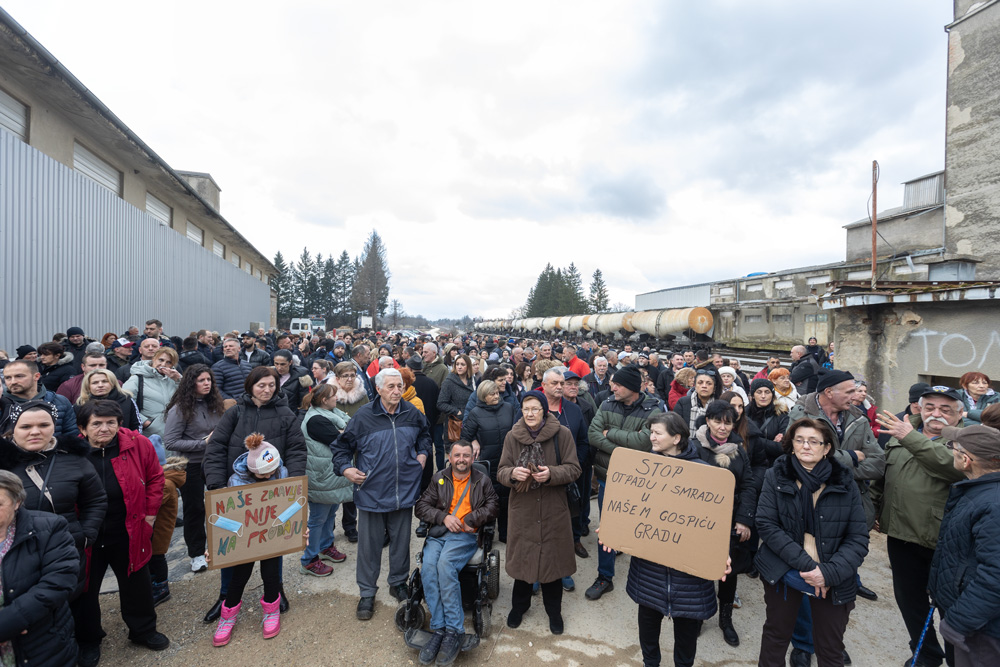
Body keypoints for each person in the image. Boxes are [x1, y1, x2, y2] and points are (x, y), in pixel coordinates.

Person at [755, 418, 869, 667]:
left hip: (832, 573)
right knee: (776, 635)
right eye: (800, 440)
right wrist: (809, 567)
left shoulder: (844, 482)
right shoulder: (776, 475)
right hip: (784, 568)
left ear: (827, 448)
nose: (805, 446)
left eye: (813, 441)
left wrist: (828, 573)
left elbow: (858, 537)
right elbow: (767, 525)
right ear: (792, 444)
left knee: (830, 647)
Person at [0, 400, 108, 659]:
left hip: (68, 544)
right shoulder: (3, 464)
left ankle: (87, 642)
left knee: (77, 596)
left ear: (54, 427)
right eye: (26, 426)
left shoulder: (74, 459)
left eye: (43, 425)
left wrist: (86, 535)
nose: (35, 432)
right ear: (13, 429)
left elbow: (95, 500)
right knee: (32, 601)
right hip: (17, 548)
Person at [872, 386, 967, 667]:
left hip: (943, 538)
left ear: (960, 414)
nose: (936, 414)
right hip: (901, 533)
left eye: (946, 409)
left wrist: (909, 436)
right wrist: (875, 507)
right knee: (909, 600)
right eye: (930, 407)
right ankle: (926, 653)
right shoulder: (903, 431)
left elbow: (950, 467)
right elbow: (884, 473)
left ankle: (959, 659)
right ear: (919, 408)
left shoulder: (966, 440)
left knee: (949, 605)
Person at [202, 366, 307, 621]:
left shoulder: (286, 414)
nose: (267, 390)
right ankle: (226, 595)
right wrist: (216, 486)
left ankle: (275, 590)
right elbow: (216, 448)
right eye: (261, 385)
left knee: (272, 540)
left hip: (273, 490)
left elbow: (296, 450)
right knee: (232, 543)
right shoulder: (235, 413)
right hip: (237, 490)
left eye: (272, 385)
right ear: (250, 386)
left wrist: (291, 486)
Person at [332, 368, 431, 621]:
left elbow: (424, 435)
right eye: (391, 387)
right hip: (372, 492)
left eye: (399, 386)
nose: (397, 391)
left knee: (401, 542)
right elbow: (341, 448)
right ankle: (367, 592)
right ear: (378, 389)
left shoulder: (412, 413)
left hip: (403, 491)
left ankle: (398, 583)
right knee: (369, 546)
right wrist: (346, 469)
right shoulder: (364, 416)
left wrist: (422, 454)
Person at [75, 400, 170, 664]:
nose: (104, 428)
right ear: (83, 428)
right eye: (96, 424)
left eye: (111, 423)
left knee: (137, 582)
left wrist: (150, 514)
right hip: (87, 533)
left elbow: (155, 477)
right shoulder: (71, 452)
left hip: (129, 527)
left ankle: (143, 630)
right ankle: (88, 639)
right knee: (84, 589)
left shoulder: (138, 444)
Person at [625, 412, 718, 667]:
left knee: (687, 635)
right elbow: (630, 511)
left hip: (689, 577)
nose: (651, 437)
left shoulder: (705, 474)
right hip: (649, 571)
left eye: (657, 433)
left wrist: (721, 552)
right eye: (651, 432)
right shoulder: (641, 470)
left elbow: (714, 525)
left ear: (676, 438)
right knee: (648, 626)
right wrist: (616, 530)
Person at [499, 391, 580, 635]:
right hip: (523, 509)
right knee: (523, 562)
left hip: (553, 507)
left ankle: (554, 612)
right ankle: (519, 607)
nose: (530, 413)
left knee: (552, 565)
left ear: (544, 411)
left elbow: (574, 468)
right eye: (526, 409)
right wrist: (513, 473)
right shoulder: (512, 436)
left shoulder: (562, 434)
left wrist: (551, 474)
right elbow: (501, 471)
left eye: (535, 409)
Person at [413, 440, 499, 665]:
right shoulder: (439, 478)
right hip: (439, 533)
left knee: (445, 565)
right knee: (428, 567)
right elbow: (421, 506)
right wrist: (443, 517)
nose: (462, 460)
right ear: (450, 458)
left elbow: (493, 506)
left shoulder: (482, 480)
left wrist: (471, 519)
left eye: (466, 456)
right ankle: (439, 627)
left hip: (464, 536)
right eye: (457, 455)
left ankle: (454, 629)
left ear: (473, 458)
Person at [586, 365, 662, 601]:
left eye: (617, 385)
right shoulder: (607, 403)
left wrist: (610, 433)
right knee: (607, 528)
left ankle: (644, 577)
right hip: (608, 477)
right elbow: (593, 434)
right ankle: (604, 577)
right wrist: (624, 449)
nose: (613, 388)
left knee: (640, 528)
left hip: (638, 482)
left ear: (631, 387)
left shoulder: (654, 409)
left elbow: (644, 442)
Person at [928, 424, 1000, 666]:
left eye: (953, 447)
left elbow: (996, 576)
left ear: (966, 460)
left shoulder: (993, 504)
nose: (951, 451)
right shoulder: (980, 491)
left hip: (982, 630)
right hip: (972, 617)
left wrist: (959, 622)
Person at [209, 433, 290, 646]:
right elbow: (226, 514)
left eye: (272, 471)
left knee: (271, 573)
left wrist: (298, 530)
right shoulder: (236, 480)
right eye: (264, 474)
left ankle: (271, 611)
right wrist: (214, 544)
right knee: (239, 575)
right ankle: (228, 616)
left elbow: (288, 502)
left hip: (271, 534)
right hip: (245, 537)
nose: (269, 475)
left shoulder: (281, 471)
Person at [0, 469, 82, 665]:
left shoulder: (49, 528)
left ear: (17, 502)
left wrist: (8, 622)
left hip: (41, 643)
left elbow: (58, 581)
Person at [693, 399, 756, 647]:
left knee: (728, 573)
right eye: (717, 421)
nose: (722, 427)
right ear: (708, 421)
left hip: (730, 519)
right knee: (699, 570)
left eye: (728, 423)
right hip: (698, 521)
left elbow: (749, 485)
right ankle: (698, 615)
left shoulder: (739, 450)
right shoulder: (694, 447)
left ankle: (725, 619)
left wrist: (744, 520)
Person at [163, 364, 225, 573]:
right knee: (195, 509)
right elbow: (170, 442)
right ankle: (197, 554)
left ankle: (223, 546)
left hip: (215, 461)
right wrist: (202, 443)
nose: (206, 384)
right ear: (191, 383)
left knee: (221, 504)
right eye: (201, 380)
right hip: (190, 465)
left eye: (209, 380)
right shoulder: (180, 409)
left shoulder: (215, 403)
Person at [299, 385, 352, 577]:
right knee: (318, 518)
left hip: (330, 476)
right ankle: (309, 560)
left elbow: (346, 431)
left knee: (330, 513)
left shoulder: (330, 413)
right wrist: (342, 432)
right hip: (321, 477)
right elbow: (342, 440)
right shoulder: (316, 420)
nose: (337, 398)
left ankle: (325, 546)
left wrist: (342, 431)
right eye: (333, 395)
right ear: (324, 400)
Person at [462, 379, 518, 543]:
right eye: (492, 394)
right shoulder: (475, 413)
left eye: (497, 393)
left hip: (508, 460)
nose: (496, 396)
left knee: (507, 496)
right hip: (488, 462)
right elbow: (465, 436)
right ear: (483, 396)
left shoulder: (508, 408)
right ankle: (488, 532)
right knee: (489, 498)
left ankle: (506, 532)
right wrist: (473, 441)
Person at [0, 360, 78, 437]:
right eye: (8, 378)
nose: (13, 382)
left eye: (19, 376)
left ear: (36, 376)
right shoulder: (2, 406)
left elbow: (72, 436)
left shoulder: (60, 401)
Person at [122, 345, 181, 438]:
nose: (163, 364)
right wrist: (145, 422)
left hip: (174, 432)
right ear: (154, 359)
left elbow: (188, 399)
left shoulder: (174, 379)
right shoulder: (137, 378)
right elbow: (125, 403)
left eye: (169, 362)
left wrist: (179, 380)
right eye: (161, 360)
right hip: (149, 434)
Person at [76, 368, 143, 432]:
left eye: (105, 381)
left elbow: (136, 425)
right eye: (95, 383)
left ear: (113, 383)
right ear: (88, 386)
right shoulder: (81, 404)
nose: (100, 385)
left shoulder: (126, 399)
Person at [438, 354, 475, 448]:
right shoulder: (449, 382)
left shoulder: (472, 380)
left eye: (462, 364)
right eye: (457, 364)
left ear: (468, 366)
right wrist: (457, 411)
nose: (459, 367)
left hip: (471, 423)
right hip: (455, 424)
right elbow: (441, 403)